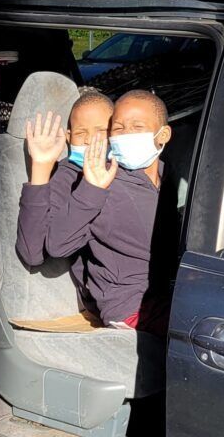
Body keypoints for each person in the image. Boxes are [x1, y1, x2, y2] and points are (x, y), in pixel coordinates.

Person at [44, 89, 176, 336]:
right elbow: (57, 245)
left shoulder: (171, 176)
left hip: (169, 295)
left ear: (163, 135)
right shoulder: (103, 180)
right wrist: (93, 189)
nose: (126, 135)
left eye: (137, 127)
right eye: (118, 128)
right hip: (131, 308)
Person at [16, 87, 114, 319]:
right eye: (82, 133)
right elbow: (33, 252)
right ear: (69, 138)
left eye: (101, 131)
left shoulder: (129, 171)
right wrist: (41, 168)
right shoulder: (66, 177)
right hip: (108, 299)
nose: (91, 140)